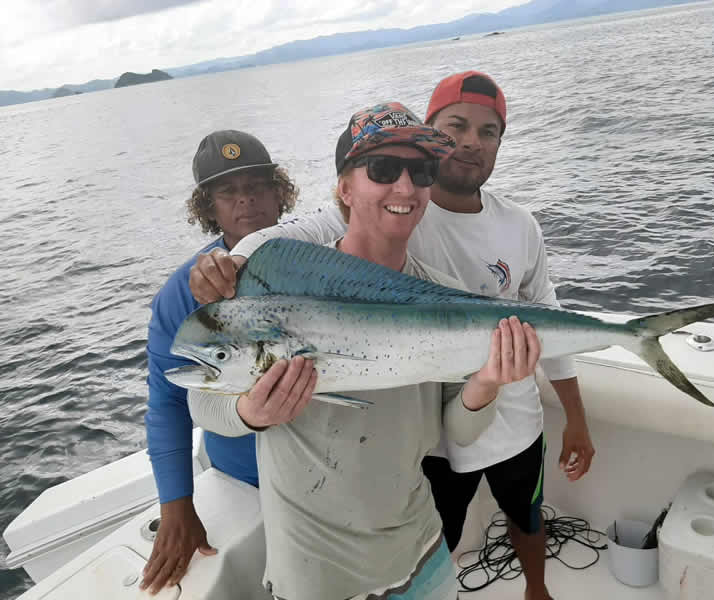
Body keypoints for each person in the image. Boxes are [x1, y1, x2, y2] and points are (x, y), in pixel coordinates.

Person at [189, 73, 594, 600]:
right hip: (318, 576)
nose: (404, 187)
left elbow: (459, 430)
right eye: (381, 169)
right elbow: (203, 402)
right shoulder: (284, 288)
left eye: (420, 171)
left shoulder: (443, 290)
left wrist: (487, 384)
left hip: (422, 553)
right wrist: (249, 410)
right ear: (344, 188)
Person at [141, 130, 298, 595]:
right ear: (207, 206)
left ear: (279, 192)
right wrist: (176, 505)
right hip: (243, 478)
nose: (245, 200)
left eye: (257, 185)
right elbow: (167, 400)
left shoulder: (325, 256)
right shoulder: (180, 293)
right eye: (227, 191)